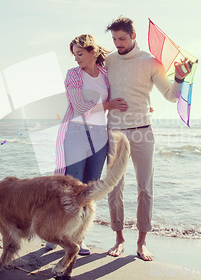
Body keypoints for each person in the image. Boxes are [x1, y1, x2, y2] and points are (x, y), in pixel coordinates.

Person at [104, 17, 191, 261]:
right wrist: (108, 104)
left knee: (145, 188)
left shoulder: (151, 62)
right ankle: (119, 238)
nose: (118, 44)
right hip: (115, 132)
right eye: (114, 39)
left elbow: (171, 96)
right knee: (114, 188)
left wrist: (180, 79)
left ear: (133, 36)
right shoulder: (109, 60)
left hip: (142, 130)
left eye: (122, 39)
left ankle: (142, 243)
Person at [49, 34, 127, 255]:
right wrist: (109, 104)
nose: (76, 59)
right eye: (74, 55)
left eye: (80, 54)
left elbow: (120, 96)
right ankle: (56, 232)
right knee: (69, 187)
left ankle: (78, 237)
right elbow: (81, 106)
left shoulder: (105, 74)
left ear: (92, 52)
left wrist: (139, 107)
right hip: (76, 133)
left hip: (99, 136)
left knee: (89, 190)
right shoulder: (73, 75)